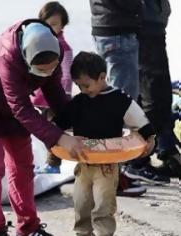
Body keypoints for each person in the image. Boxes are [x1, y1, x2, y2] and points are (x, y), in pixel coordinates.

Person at [0, 20, 84, 236]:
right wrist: (58, 138)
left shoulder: (55, 50)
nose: (46, 74)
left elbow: (54, 91)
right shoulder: (7, 56)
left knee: (23, 166)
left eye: (51, 69)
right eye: (40, 70)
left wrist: (80, 123)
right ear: (27, 59)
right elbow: (21, 108)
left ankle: (28, 227)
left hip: (14, 103)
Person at [53, 51, 155, 236]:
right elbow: (58, 125)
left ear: (102, 77)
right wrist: (51, 134)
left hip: (107, 166)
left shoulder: (118, 99)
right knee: (81, 203)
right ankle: (83, 232)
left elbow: (139, 120)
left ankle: (104, 233)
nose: (83, 90)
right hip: (84, 163)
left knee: (103, 206)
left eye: (86, 85)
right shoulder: (80, 101)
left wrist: (149, 138)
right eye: (78, 86)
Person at [89, 0, 168, 195]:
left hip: (114, 27)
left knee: (118, 105)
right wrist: (139, 8)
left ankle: (114, 172)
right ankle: (111, 177)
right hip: (117, 30)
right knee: (120, 108)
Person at [123, 0, 181, 180]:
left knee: (160, 95)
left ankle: (166, 148)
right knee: (153, 96)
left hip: (154, 26)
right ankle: (137, 161)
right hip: (144, 26)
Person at [31, 1, 73, 174]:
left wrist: (66, 95)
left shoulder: (64, 47)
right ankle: (43, 161)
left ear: (63, 24)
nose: (52, 28)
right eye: (48, 24)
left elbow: (67, 74)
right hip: (40, 97)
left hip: (55, 99)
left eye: (56, 24)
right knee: (39, 130)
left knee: (54, 131)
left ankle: (53, 164)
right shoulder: (39, 43)